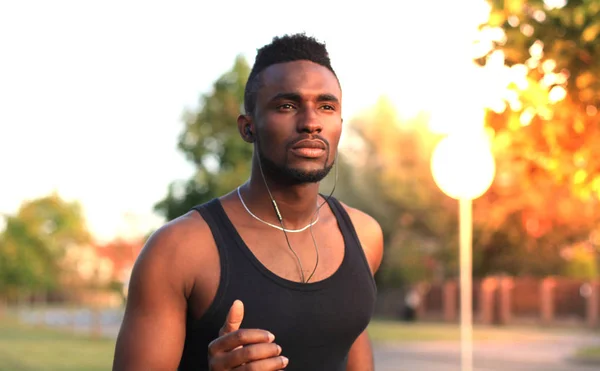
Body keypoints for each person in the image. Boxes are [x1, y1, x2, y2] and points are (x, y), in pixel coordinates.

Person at [112, 33, 384, 371]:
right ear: (248, 127)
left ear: (339, 125)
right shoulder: (180, 249)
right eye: (287, 105)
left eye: (326, 106)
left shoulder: (364, 235)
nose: (311, 122)